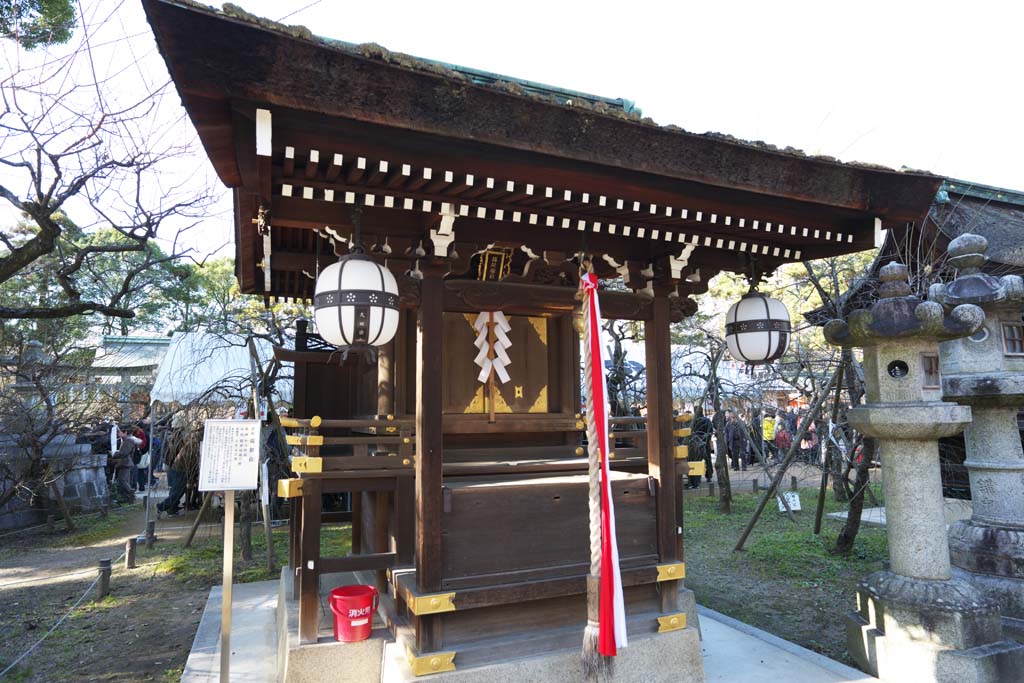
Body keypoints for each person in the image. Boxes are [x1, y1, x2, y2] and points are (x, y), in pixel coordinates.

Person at [690, 406, 713, 487]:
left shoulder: (703, 421)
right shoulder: (694, 421)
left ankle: (704, 476)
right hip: (699, 443)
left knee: (701, 460)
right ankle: (706, 476)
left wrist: (704, 437)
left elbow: (710, 432)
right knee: (703, 460)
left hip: (700, 444)